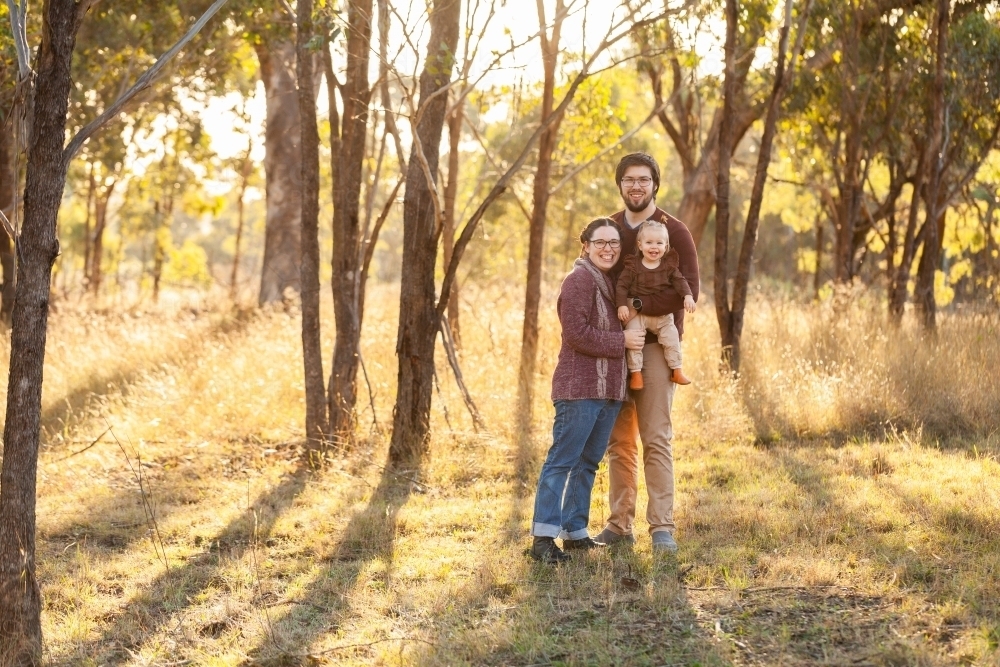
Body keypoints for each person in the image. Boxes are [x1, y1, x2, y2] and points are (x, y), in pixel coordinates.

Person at [594, 153, 700, 554]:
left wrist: (636, 308)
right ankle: (619, 525)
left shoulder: (676, 231)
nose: (636, 186)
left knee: (655, 436)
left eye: (643, 179)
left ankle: (662, 527)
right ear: (620, 185)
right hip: (613, 348)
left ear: (655, 183)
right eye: (628, 180)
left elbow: (687, 290)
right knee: (619, 441)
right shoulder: (610, 229)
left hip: (655, 346)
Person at [529, 217, 647, 564]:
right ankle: (543, 538)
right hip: (579, 388)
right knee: (562, 462)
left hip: (609, 389)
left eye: (613, 243)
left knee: (587, 464)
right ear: (586, 245)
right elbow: (576, 334)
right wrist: (621, 341)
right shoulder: (579, 279)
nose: (608, 248)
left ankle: (575, 532)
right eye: (600, 242)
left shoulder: (611, 283)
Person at [616, 220, 696, 390]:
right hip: (637, 312)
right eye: (649, 242)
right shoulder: (633, 266)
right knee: (634, 339)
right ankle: (636, 373)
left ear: (666, 246)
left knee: (672, 336)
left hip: (661, 313)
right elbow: (621, 286)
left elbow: (680, 281)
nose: (654, 247)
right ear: (640, 244)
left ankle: (676, 369)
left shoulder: (668, 266)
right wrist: (622, 305)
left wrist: (688, 296)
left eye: (659, 243)